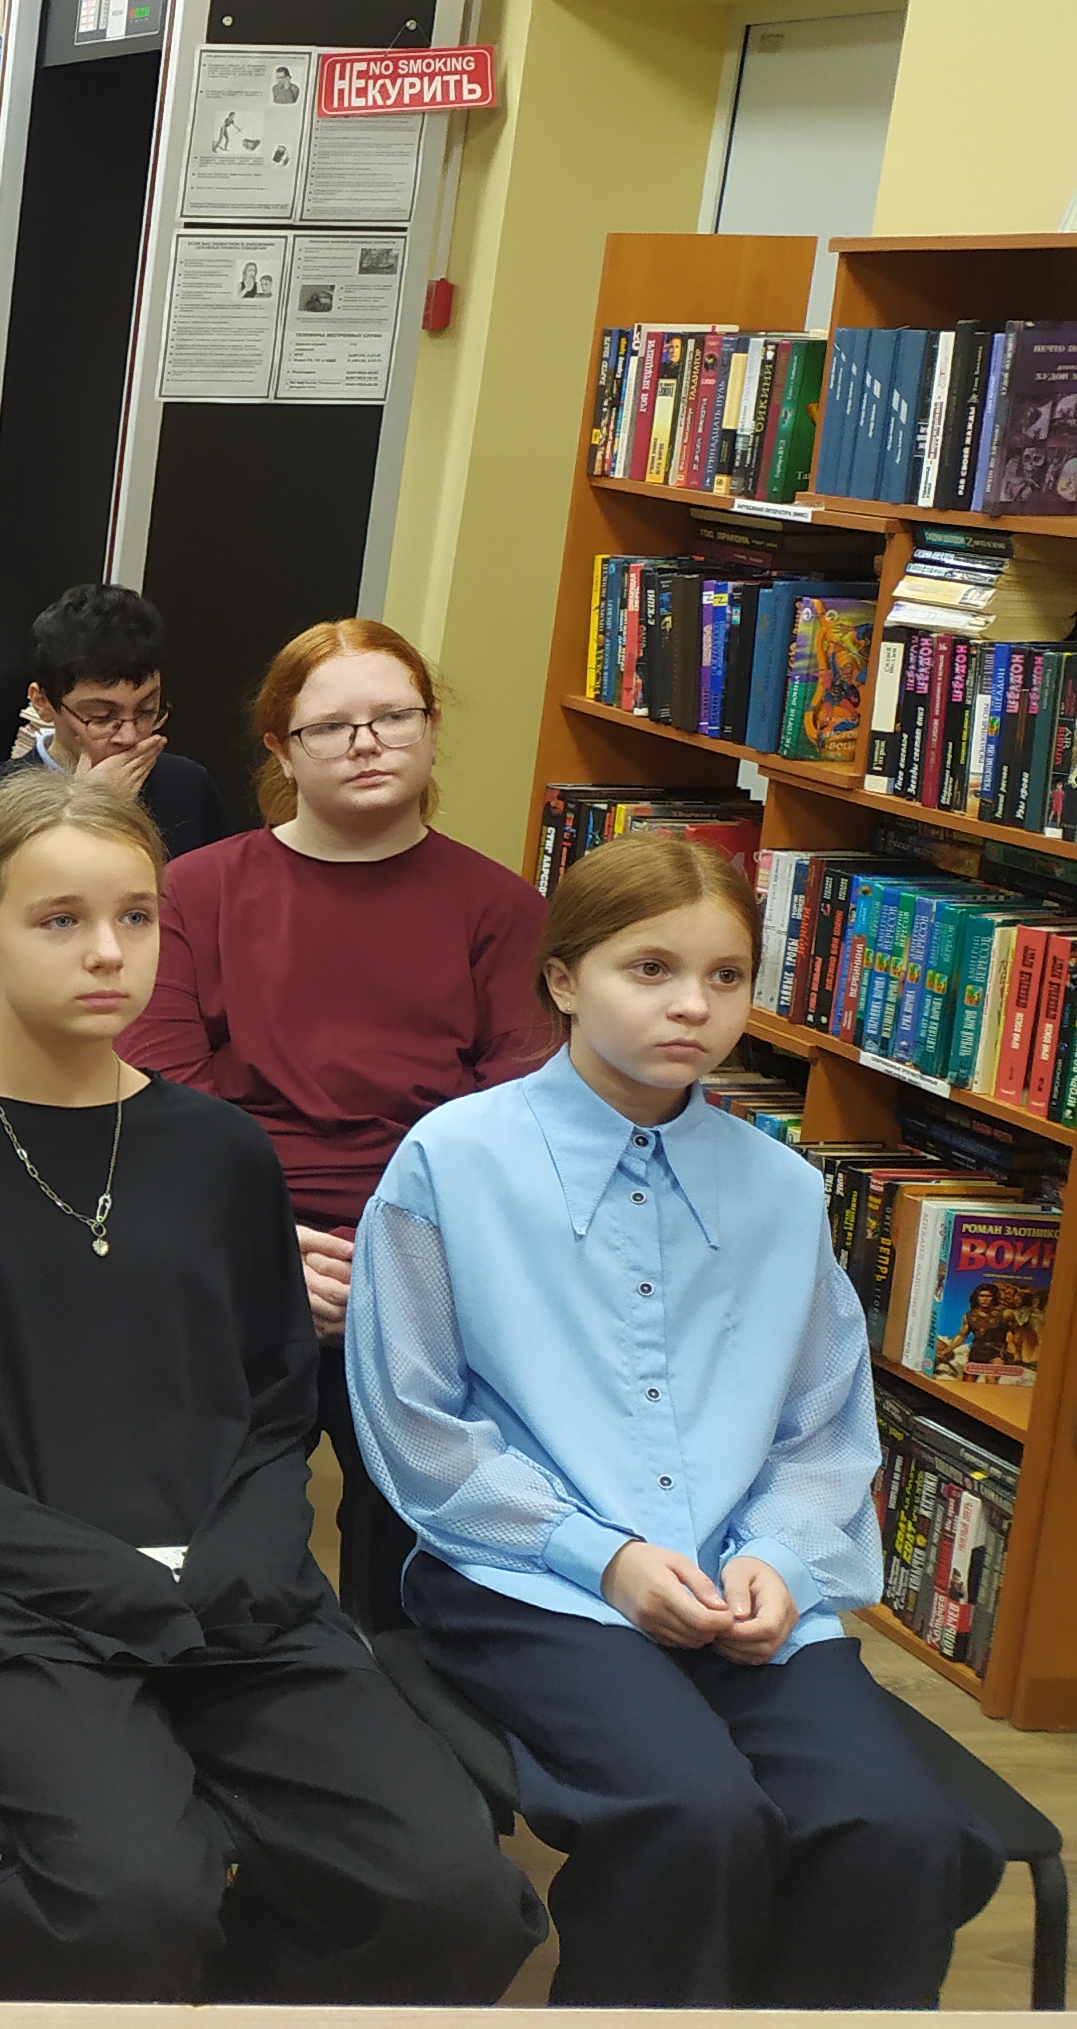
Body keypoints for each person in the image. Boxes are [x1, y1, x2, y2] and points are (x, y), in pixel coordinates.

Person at [0, 769, 538, 2003]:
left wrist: (240, 1553)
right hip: (11, 1609)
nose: (108, 952)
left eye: (135, 917)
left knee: (455, 1896)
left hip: (234, 1598)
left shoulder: (219, 1149)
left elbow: (273, 1405)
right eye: (60, 920)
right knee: (134, 1898)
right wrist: (104, 1577)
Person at [349, 835, 1005, 2007]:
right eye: (648, 969)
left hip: (744, 1589)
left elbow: (820, 1431)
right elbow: (416, 1425)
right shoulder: (453, 1160)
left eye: (724, 976)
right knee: (693, 1815)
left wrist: (777, 1561)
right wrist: (601, 1555)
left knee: (898, 1829)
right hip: (529, 1582)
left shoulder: (782, 1187)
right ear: (563, 979)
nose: (692, 1006)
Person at [118, 619, 549, 1630]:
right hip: (230, 1244)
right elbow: (164, 1098)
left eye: (392, 717)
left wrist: (397, 1268)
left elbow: (514, 1120)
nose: (366, 743)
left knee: (417, 1527)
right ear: (281, 748)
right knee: (213, 1521)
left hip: (424, 1258)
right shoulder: (194, 891)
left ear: (430, 728)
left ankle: (395, 1678)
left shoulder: (500, 908)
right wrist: (269, 1251)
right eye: (331, 726)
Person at [0, 584, 235, 864]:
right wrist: (91, 806)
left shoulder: (188, 784)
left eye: (147, 710)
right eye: (102, 717)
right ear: (42, 703)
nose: (130, 736)